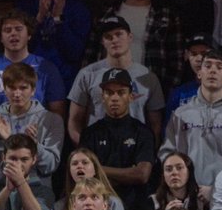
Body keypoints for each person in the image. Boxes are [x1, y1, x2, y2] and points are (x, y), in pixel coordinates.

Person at [78, 67, 157, 210]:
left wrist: (97, 168)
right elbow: (84, 175)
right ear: (102, 96)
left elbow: (142, 174)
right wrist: (126, 172)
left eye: (121, 93)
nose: (114, 98)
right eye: (109, 92)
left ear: (131, 96)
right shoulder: (90, 134)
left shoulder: (143, 132)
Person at [159, 48, 222, 195]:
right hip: (187, 195)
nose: (213, 71)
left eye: (219, 67)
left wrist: (218, 190)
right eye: (208, 66)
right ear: (199, 73)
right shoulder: (180, 114)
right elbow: (168, 153)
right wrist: (181, 186)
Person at [83, 0, 183, 92]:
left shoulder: (167, 17)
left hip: (148, 92)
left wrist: (163, 93)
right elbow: (90, 55)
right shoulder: (106, 14)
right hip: (106, 90)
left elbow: (176, 62)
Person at [68, 15, 166, 144]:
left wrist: (146, 154)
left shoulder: (148, 77)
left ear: (130, 37)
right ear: (103, 42)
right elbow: (74, 120)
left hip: (134, 152)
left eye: (119, 34)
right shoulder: (87, 74)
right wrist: (86, 150)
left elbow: (156, 125)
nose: (114, 40)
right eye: (108, 37)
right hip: (97, 152)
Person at [0, 10, 67, 119]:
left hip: (34, 133)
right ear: (1, 37)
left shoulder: (46, 68)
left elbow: (57, 112)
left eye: (19, 29)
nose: (13, 33)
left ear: (29, 35)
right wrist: (0, 122)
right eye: (7, 30)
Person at [15, 0, 92, 90]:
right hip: (29, 80)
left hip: (65, 81)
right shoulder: (25, 4)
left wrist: (58, 19)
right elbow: (17, 47)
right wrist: (39, 18)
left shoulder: (78, 7)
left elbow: (75, 52)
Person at [0, 62, 64, 181]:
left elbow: (50, 166)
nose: (17, 94)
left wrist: (35, 146)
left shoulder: (51, 120)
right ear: (5, 89)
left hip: (36, 189)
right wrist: (1, 142)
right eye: (12, 87)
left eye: (23, 88)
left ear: (33, 90)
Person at [51, 149, 132, 210]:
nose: (79, 166)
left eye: (85, 163)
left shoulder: (112, 203)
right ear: (70, 171)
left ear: (95, 170)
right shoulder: (59, 207)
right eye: (74, 164)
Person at [166, 33, 222, 122]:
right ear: (187, 56)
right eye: (194, 53)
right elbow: (169, 131)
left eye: (204, 53)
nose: (199, 58)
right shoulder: (179, 93)